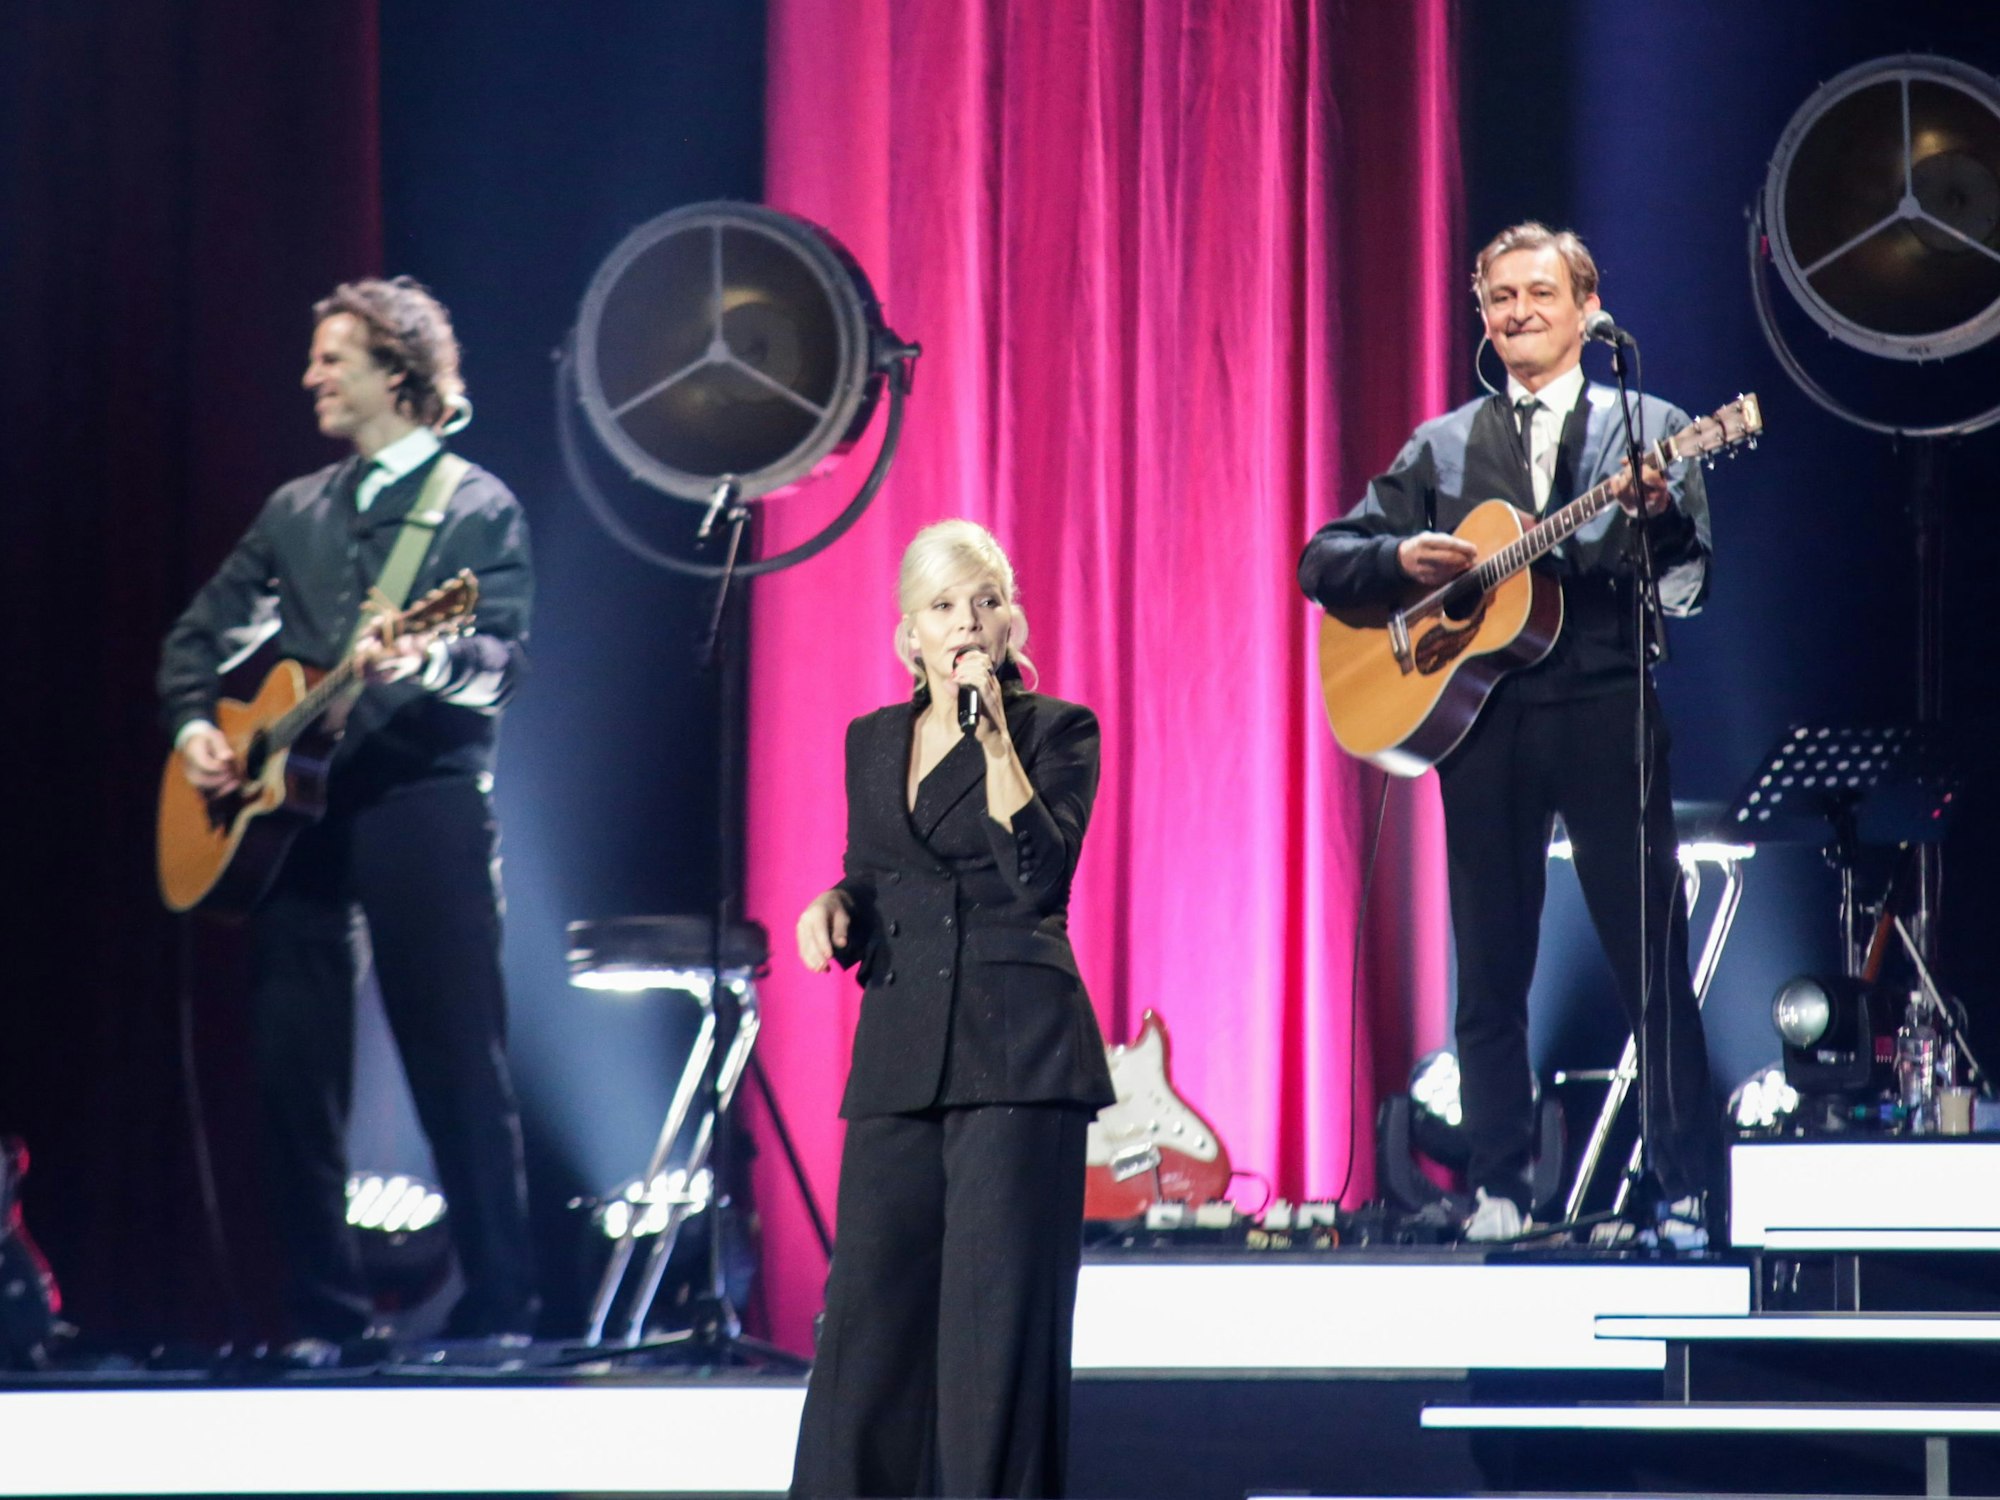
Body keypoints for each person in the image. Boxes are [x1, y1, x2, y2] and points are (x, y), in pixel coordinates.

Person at [1297, 222, 1723, 1245]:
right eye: (1499, 298)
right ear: (1481, 318)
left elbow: (1688, 586)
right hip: (1480, 721)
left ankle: (1685, 1190)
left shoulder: (1649, 427)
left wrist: (1657, 515)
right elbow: (1321, 559)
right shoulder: (1440, 446)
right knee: (1488, 968)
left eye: (1539, 293)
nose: (1518, 311)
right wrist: (1401, 558)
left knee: (1650, 959)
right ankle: (1497, 1186)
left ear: (1587, 309)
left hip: (1606, 709)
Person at [158, 277, 537, 1354]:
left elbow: (504, 664)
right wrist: (197, 727)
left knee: (457, 1059)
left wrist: (430, 660)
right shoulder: (297, 511)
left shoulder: (476, 507)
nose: (310, 377)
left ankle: (501, 1313)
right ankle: (320, 1315)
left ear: (397, 372)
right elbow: (199, 641)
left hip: (422, 797)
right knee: (292, 1070)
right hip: (294, 819)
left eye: (333, 359)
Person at [788, 520, 1113, 1500]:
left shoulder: (1057, 730)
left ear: (1011, 622)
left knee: (992, 1337)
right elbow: (873, 876)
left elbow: (1038, 875)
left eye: (985, 601)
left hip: (1016, 1053)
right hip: (899, 1054)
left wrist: (993, 735)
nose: (966, 622)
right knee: (867, 1329)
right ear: (910, 636)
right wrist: (833, 906)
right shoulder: (871, 741)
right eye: (943, 606)